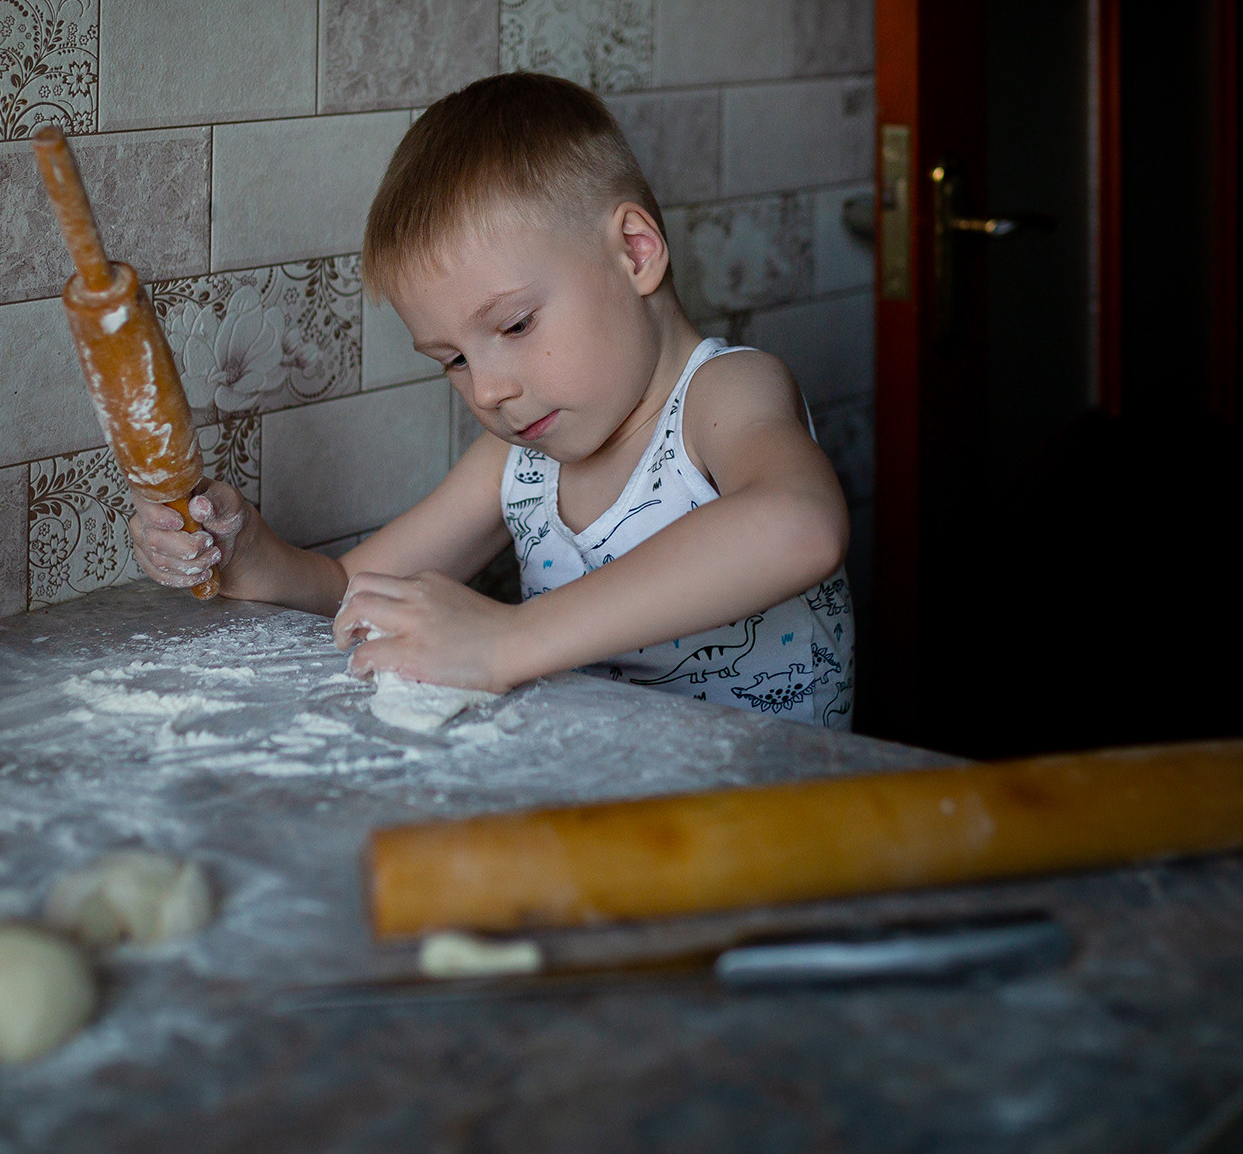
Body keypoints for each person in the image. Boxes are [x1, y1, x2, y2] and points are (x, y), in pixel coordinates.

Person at [129, 72, 856, 728]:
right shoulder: (519, 460)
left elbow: (800, 525)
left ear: (635, 251)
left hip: (772, 828)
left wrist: (509, 639)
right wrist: (242, 552)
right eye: (452, 359)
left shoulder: (723, 395)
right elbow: (350, 586)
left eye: (514, 325)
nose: (488, 389)